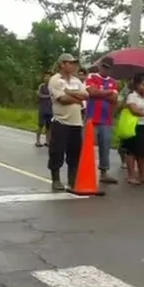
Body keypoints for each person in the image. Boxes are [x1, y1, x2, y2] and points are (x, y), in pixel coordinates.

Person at [47, 53, 88, 191]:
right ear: (62, 64)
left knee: (75, 153)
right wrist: (77, 98)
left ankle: (72, 180)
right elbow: (62, 99)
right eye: (70, 63)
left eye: (74, 63)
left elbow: (85, 95)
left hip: (76, 123)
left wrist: (69, 92)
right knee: (57, 152)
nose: (73, 65)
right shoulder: (55, 80)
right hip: (61, 121)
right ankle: (56, 180)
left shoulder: (77, 80)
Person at [84, 57, 120, 183]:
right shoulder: (91, 77)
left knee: (105, 146)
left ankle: (104, 172)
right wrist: (107, 92)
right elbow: (91, 92)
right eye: (103, 66)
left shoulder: (113, 81)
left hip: (106, 119)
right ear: (99, 66)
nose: (105, 69)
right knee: (89, 145)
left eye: (107, 68)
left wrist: (101, 92)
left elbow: (114, 99)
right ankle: (86, 170)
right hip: (92, 118)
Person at [122, 73, 144, 184]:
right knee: (131, 151)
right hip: (135, 125)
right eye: (143, 85)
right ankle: (131, 175)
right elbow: (134, 110)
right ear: (137, 84)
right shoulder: (132, 96)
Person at [35, 71, 53, 147]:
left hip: (50, 109)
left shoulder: (52, 86)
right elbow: (39, 95)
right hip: (43, 109)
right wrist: (49, 96)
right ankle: (38, 141)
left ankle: (47, 141)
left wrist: (47, 96)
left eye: (49, 76)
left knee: (49, 127)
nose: (47, 78)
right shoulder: (41, 86)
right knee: (40, 125)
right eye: (45, 77)